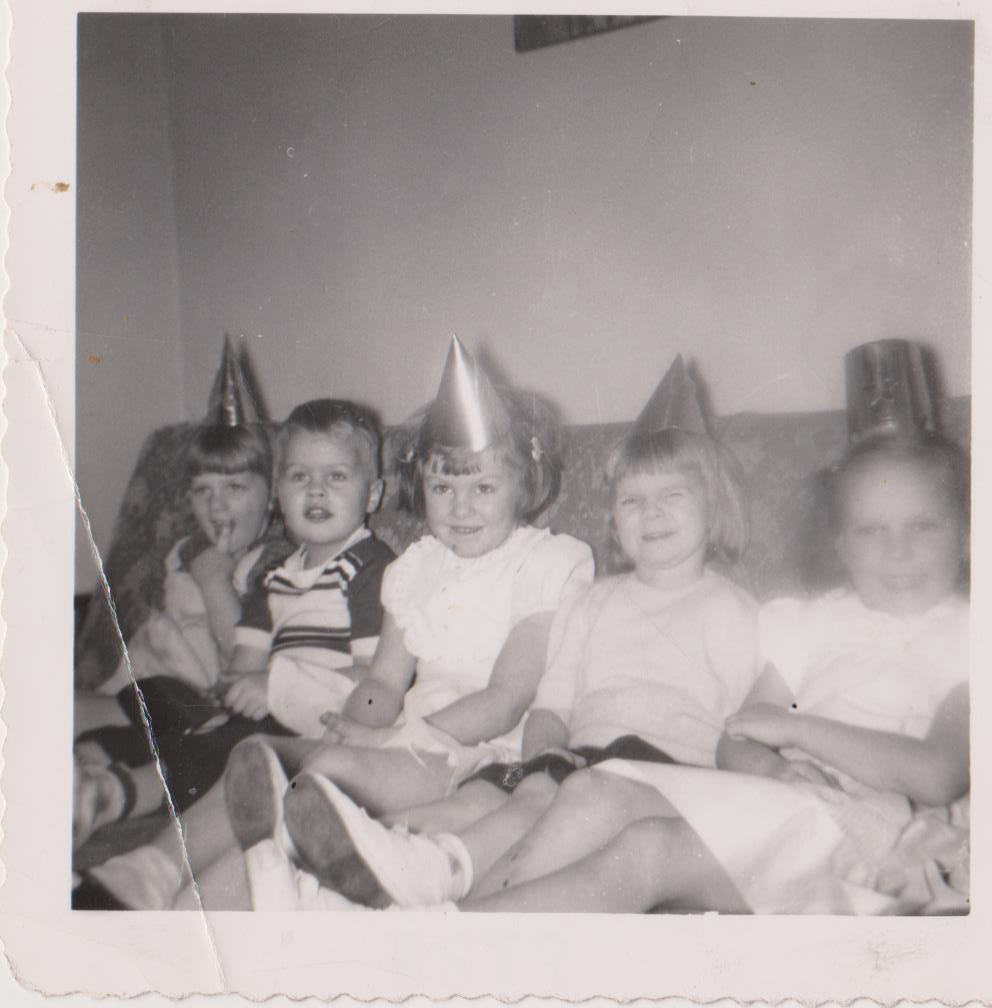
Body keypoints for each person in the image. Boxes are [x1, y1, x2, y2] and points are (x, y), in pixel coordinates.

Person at [262, 356, 763, 910]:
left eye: (672, 496)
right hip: (569, 756)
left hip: (653, 767)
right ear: (613, 518)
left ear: (715, 506)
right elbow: (553, 701)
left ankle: (434, 886)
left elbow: (748, 723)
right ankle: (359, 870)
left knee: (534, 804)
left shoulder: (732, 609)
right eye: (632, 500)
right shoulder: (592, 601)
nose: (652, 514)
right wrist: (544, 758)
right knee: (494, 799)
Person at [452, 430, 971, 913]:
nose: (897, 550)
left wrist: (796, 730)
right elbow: (738, 737)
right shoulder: (811, 624)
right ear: (843, 545)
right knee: (594, 790)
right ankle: (452, 929)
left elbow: (937, 774)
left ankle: (453, 945)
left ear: (969, 535)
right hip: (779, 797)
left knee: (648, 852)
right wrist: (772, 768)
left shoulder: (966, 637)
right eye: (871, 530)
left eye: (923, 526)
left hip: (870, 826)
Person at [221, 335, 595, 907]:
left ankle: (300, 877)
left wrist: (391, 739)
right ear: (421, 487)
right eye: (443, 486)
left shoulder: (546, 563)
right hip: (413, 740)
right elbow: (384, 681)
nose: (460, 507)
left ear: (525, 486)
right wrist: (354, 721)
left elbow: (506, 699)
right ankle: (254, 878)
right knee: (314, 760)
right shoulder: (415, 570)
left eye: (483, 487)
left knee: (334, 774)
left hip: (490, 750)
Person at [72, 397, 394, 905]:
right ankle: (94, 786)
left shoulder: (372, 568)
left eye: (336, 476)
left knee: (238, 745)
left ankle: (127, 821)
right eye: (299, 476)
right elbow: (239, 671)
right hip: (264, 717)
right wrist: (231, 697)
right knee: (195, 723)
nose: (315, 490)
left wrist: (276, 688)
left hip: (326, 722)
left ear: (373, 493)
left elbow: (376, 682)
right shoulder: (275, 580)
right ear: (280, 493)